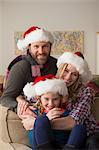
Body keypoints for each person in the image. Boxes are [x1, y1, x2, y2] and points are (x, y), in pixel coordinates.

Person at [17, 51, 97, 149]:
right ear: (60, 68)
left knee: (84, 134)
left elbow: (73, 122)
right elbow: (26, 95)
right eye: (66, 70)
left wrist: (37, 124)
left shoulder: (85, 91)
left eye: (74, 74)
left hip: (85, 133)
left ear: (78, 77)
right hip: (56, 135)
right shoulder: (51, 84)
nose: (68, 77)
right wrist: (21, 100)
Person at [17, 74, 87, 150]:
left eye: (55, 99)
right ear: (39, 98)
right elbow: (16, 97)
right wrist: (20, 101)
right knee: (41, 120)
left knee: (80, 128)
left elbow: (74, 124)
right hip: (42, 145)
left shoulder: (63, 112)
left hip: (63, 146)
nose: (50, 104)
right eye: (46, 99)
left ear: (61, 99)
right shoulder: (33, 111)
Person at [0, 26, 57, 112]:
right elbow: (5, 99)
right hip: (32, 111)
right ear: (29, 48)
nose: (41, 51)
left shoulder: (56, 64)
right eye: (36, 46)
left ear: (50, 47)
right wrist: (21, 108)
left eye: (45, 46)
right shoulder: (21, 67)